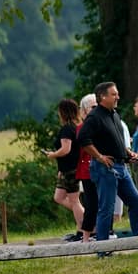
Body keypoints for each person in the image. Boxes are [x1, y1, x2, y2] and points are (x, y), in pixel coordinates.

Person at [78, 81, 138, 248]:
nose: (118, 97)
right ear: (102, 97)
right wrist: (99, 157)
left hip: (121, 166)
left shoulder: (114, 114)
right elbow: (83, 139)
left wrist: (126, 152)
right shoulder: (94, 116)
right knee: (106, 208)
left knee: (136, 200)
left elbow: (115, 139)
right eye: (114, 94)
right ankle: (103, 248)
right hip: (105, 168)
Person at [44, 98, 84, 233]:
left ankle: (84, 228)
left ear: (63, 112)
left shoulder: (67, 129)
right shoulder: (76, 127)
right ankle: (85, 219)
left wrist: (52, 154)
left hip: (71, 170)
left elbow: (66, 149)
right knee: (59, 197)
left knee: (74, 200)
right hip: (66, 169)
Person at [74, 93, 98, 242]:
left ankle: (104, 231)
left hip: (101, 168)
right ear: (84, 111)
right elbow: (81, 151)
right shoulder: (82, 128)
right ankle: (86, 236)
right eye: (93, 107)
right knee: (91, 204)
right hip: (87, 170)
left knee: (104, 202)